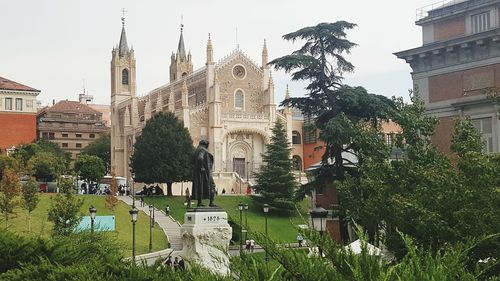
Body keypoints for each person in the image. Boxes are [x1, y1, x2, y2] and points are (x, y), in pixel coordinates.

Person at [192, 140, 216, 207]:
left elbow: (193, 161)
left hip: (198, 172)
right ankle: (211, 202)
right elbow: (200, 158)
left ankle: (199, 203)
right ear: (206, 145)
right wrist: (202, 167)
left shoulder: (196, 150)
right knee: (212, 185)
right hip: (205, 172)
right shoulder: (203, 150)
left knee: (200, 186)